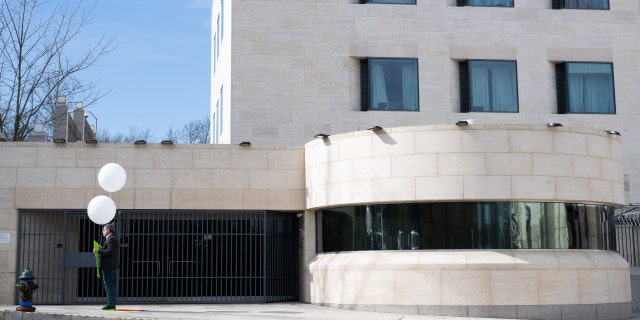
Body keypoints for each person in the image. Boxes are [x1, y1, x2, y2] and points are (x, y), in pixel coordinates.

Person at [93, 223, 120, 310]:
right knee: (109, 284)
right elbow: (109, 250)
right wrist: (102, 248)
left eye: (104, 229)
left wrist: (98, 251)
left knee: (109, 285)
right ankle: (111, 303)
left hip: (109, 265)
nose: (102, 231)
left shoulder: (111, 238)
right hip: (110, 265)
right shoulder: (111, 239)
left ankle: (111, 304)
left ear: (108, 229)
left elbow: (110, 252)